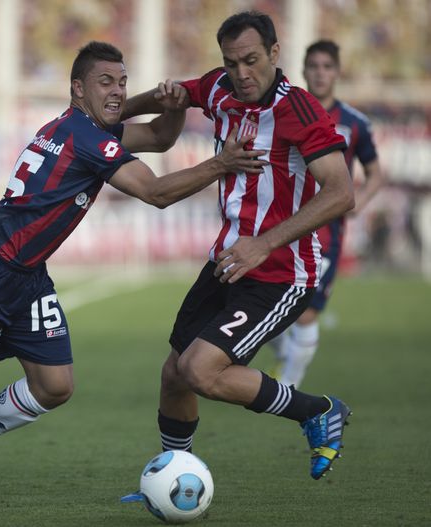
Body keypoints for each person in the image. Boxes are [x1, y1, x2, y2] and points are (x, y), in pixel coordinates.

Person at [0, 41, 266, 502]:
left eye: (123, 82)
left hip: (26, 273)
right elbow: (157, 193)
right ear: (77, 88)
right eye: (106, 82)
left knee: (55, 385)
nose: (119, 91)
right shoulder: (89, 138)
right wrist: (222, 162)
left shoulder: (82, 128)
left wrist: (175, 104)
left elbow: (161, 138)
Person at [122, 11, 354, 481]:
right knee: (174, 376)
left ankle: (318, 410)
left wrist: (263, 244)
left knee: (201, 371)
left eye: (250, 60)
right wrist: (111, 112)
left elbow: (341, 192)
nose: (241, 74)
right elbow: (178, 92)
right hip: (226, 264)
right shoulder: (219, 88)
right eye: (231, 63)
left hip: (280, 271)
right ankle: (176, 472)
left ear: (274, 53)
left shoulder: (300, 110)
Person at [272, 40, 384, 387]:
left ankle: (287, 388)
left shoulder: (354, 123)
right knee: (266, 301)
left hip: (325, 232)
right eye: (314, 66)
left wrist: (356, 203)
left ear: (336, 72)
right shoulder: (283, 113)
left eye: (327, 66)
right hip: (280, 223)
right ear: (303, 70)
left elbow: (375, 173)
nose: (320, 73)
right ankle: (283, 357)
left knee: (307, 312)